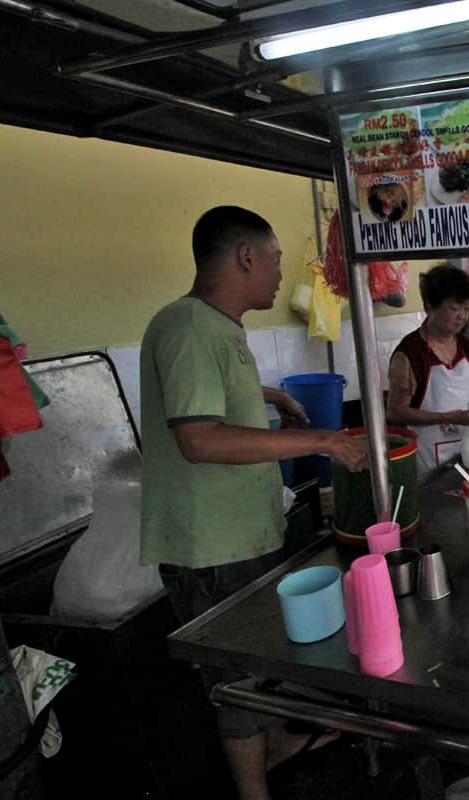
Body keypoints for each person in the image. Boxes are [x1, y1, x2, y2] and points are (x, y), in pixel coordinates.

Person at [140, 206, 368, 800]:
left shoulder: (217, 328)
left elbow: (214, 398)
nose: (277, 273)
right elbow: (198, 438)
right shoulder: (188, 327)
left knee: (258, 667)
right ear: (245, 256)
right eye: (274, 260)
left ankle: (277, 750)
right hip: (211, 545)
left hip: (242, 534)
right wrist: (323, 439)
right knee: (237, 678)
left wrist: (269, 395)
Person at [386, 265, 469, 474]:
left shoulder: (466, 346)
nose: (462, 316)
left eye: (467, 308)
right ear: (430, 306)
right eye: (454, 308)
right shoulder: (409, 354)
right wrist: (449, 418)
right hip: (428, 462)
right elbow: (395, 413)